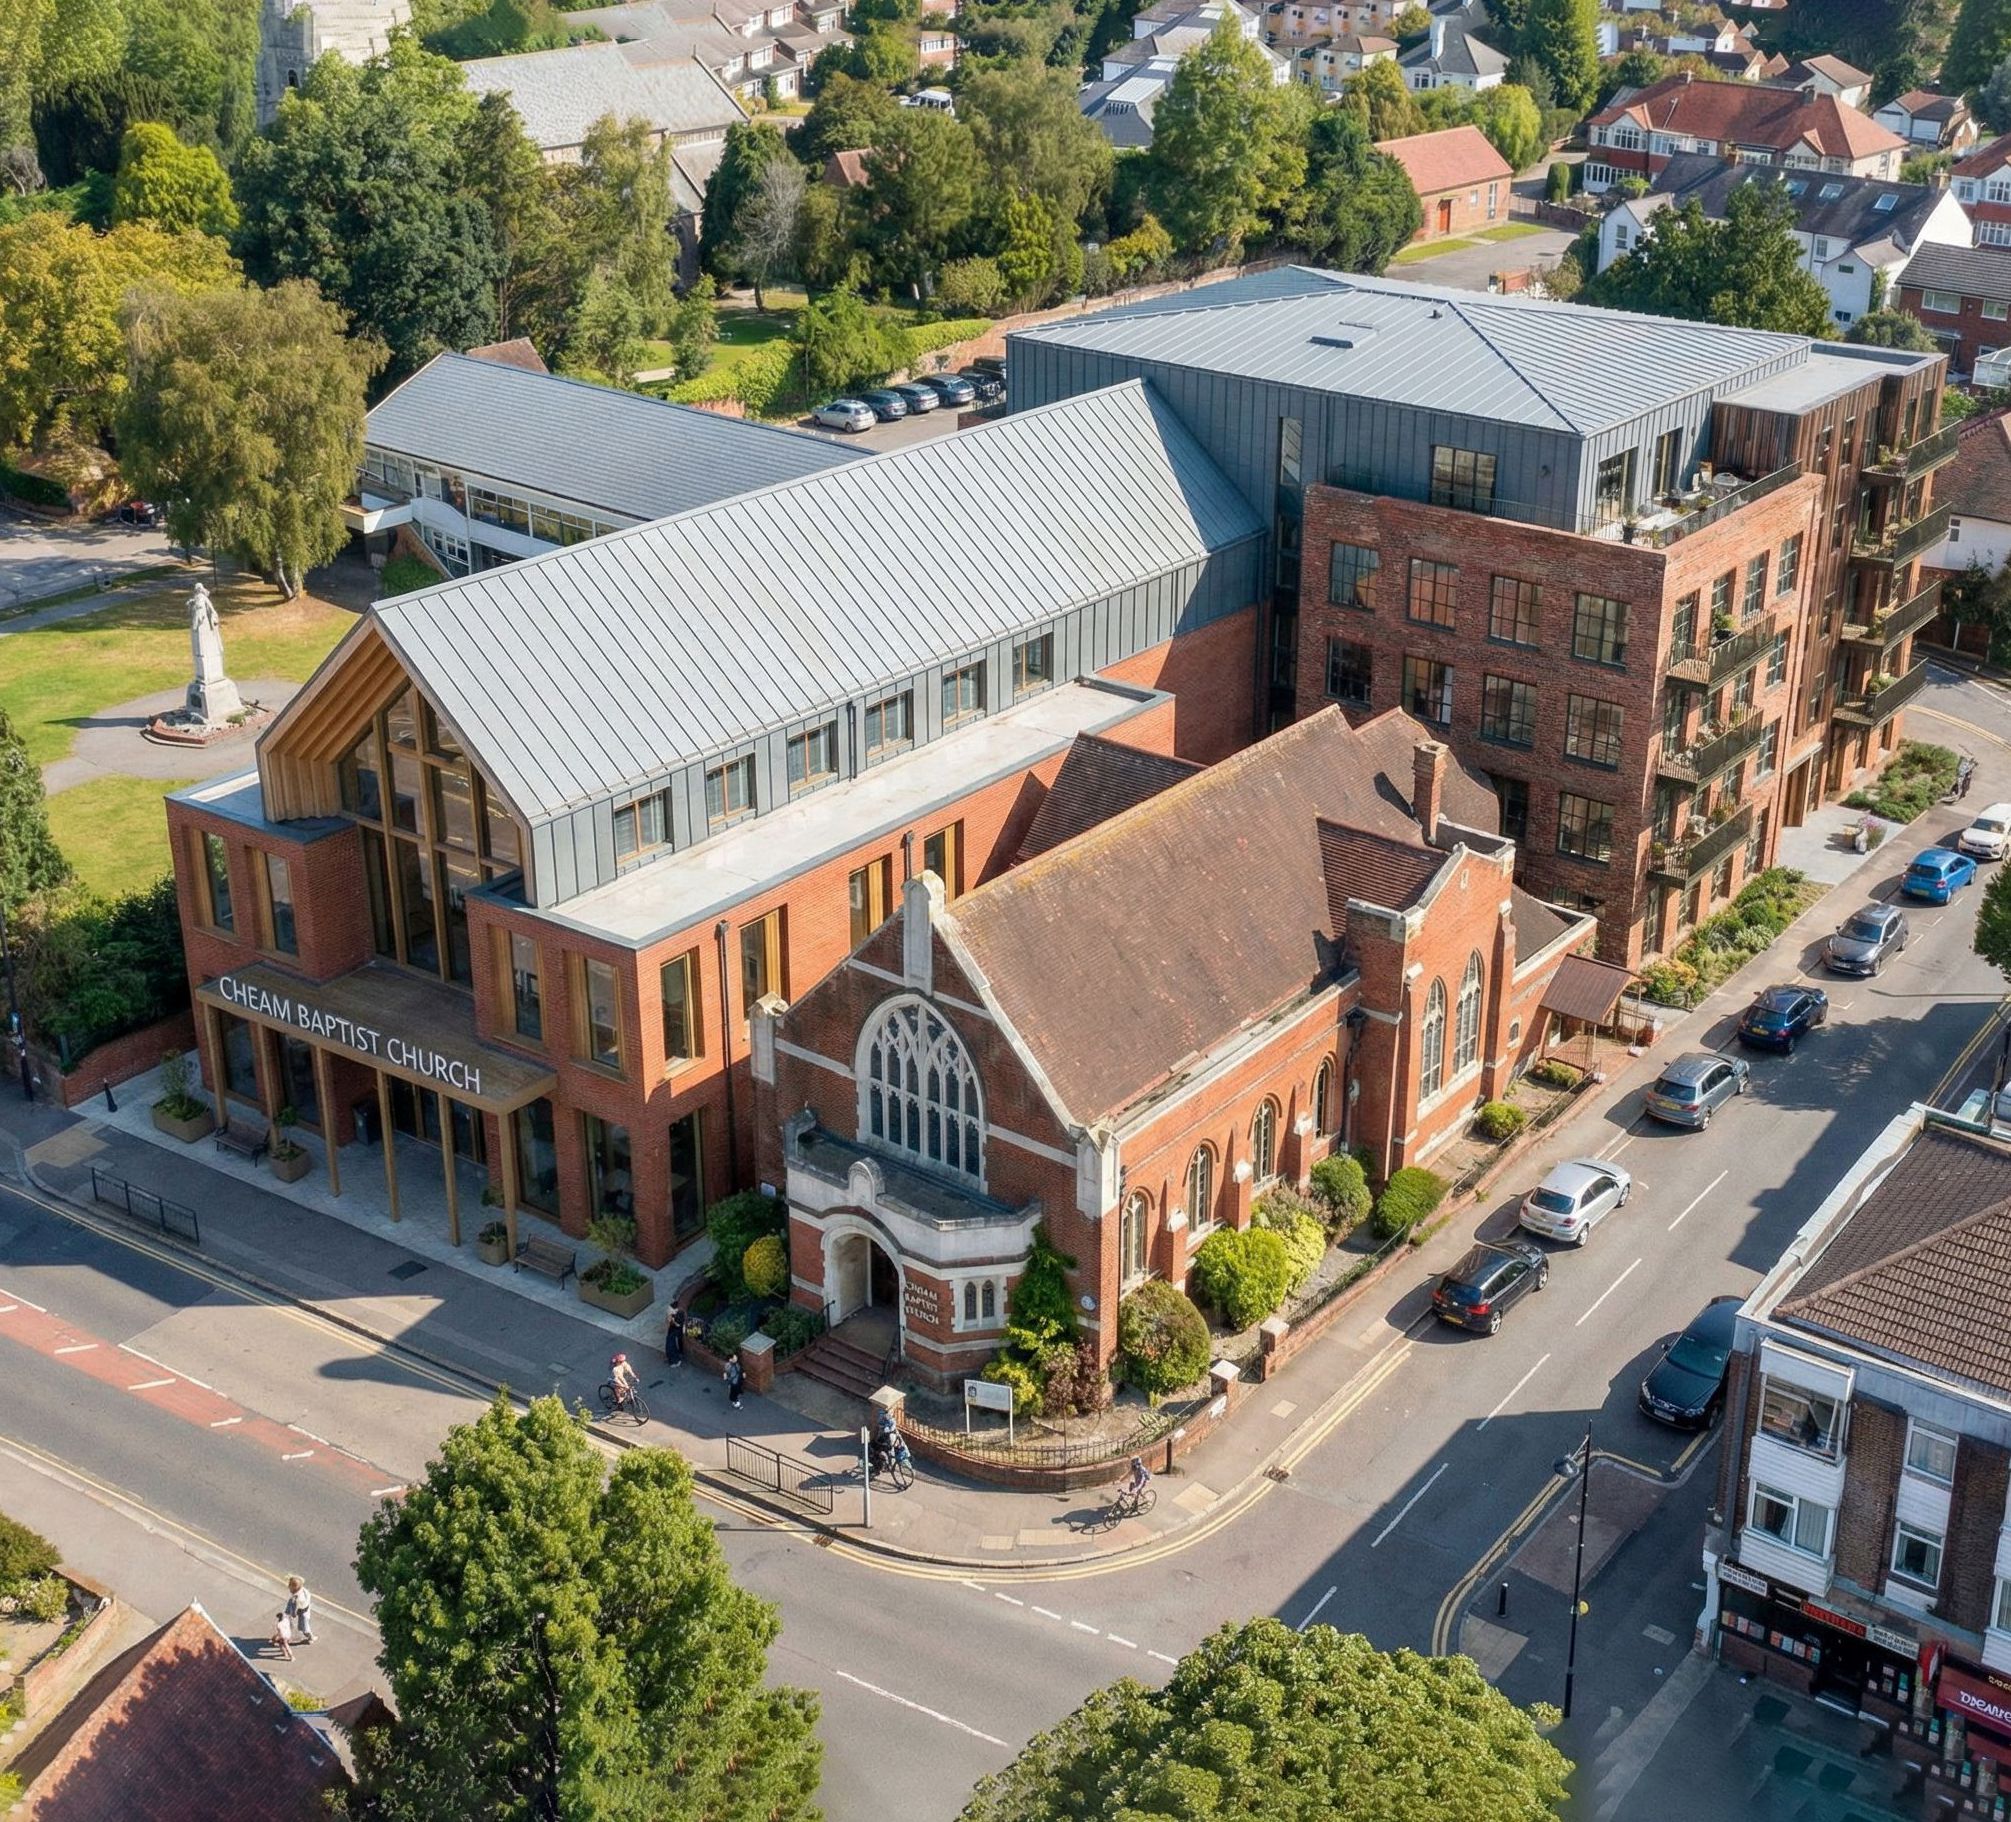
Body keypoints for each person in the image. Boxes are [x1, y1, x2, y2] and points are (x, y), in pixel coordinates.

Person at [286, 1576, 315, 1645]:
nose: (288, 1586)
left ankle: (311, 1637)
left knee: (304, 1627)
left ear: (294, 1588)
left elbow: (293, 1609)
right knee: (302, 1626)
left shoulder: (296, 1598)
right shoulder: (303, 1590)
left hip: (303, 1611)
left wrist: (292, 1614)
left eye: (290, 1585)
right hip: (304, 1607)